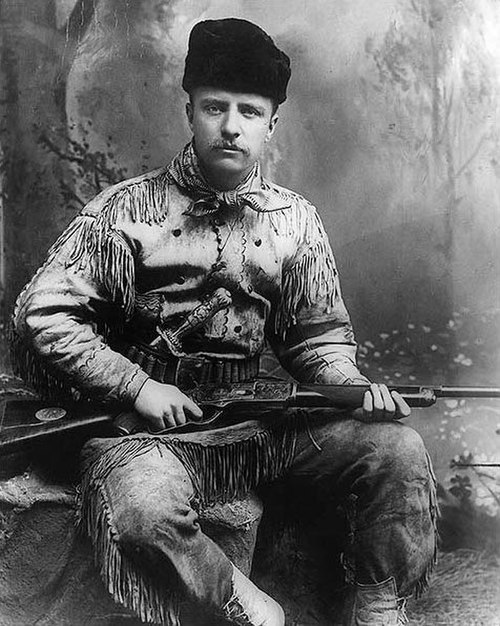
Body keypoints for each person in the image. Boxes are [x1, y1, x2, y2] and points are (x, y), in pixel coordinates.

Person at [11, 18, 437, 626]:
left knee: (397, 449)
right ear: (190, 111)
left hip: (255, 426)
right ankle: (240, 602)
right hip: (145, 432)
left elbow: (317, 337)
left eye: (249, 111)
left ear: (272, 123)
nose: (231, 127)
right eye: (215, 107)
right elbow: (46, 313)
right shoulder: (124, 211)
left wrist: (350, 388)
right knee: (142, 510)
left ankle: (378, 606)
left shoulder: (296, 222)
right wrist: (139, 387)